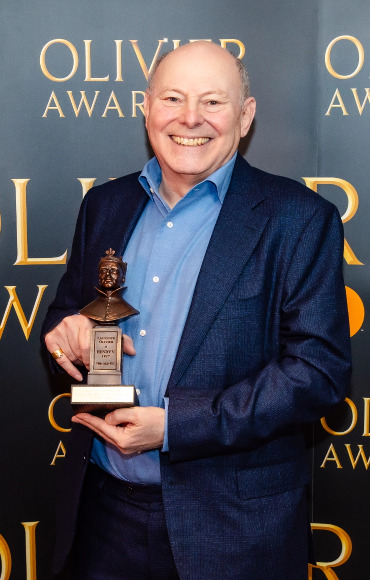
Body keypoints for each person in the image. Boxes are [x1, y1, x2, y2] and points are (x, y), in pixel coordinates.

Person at [41, 41, 351, 580]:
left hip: (234, 531)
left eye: (213, 102)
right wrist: (64, 336)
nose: (190, 119)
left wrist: (174, 427)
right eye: (173, 99)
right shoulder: (105, 205)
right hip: (103, 517)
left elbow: (317, 373)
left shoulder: (299, 219)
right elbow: (67, 318)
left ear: (245, 115)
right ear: (147, 107)